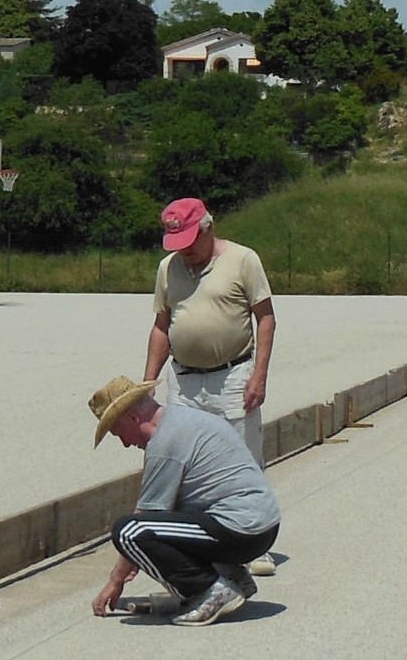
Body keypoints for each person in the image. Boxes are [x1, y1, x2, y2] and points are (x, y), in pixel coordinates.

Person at [143, 197, 279, 576]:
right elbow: (161, 326)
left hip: (233, 374)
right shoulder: (168, 268)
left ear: (208, 228)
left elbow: (265, 319)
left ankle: (254, 542)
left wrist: (259, 375)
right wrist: (148, 382)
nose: (184, 251)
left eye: (189, 241)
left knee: (244, 457)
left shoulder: (242, 260)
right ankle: (195, 542)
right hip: (184, 379)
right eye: (177, 244)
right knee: (184, 463)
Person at [88, 375, 282, 627]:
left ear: (133, 418)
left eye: (118, 433)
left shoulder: (165, 443)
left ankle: (212, 591)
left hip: (241, 528)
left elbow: (144, 516)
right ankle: (231, 576)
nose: (125, 443)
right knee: (168, 518)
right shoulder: (186, 419)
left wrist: (116, 580)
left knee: (128, 532)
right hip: (263, 526)